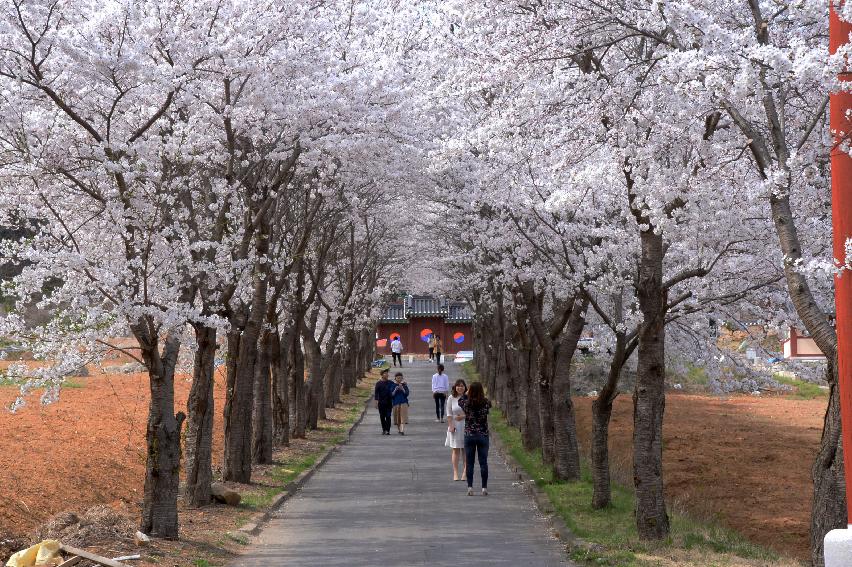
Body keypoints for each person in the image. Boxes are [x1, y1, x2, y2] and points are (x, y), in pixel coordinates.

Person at [459, 381, 492, 496]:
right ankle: (484, 488)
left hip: (470, 434)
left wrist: (466, 394)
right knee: (483, 462)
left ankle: (470, 487)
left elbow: (460, 401)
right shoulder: (486, 402)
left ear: (470, 391)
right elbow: (489, 407)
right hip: (483, 434)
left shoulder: (466, 403)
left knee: (470, 463)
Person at [445, 378, 467, 480]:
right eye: (458, 386)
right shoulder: (451, 398)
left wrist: (463, 416)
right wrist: (451, 425)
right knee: (456, 449)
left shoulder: (468, 398)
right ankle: (455, 472)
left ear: (465, 387)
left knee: (466, 449)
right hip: (455, 425)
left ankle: (465, 471)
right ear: (455, 387)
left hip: (467, 425)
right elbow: (449, 413)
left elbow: (472, 412)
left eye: (462, 386)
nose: (460, 388)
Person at [374, 368, 395, 435]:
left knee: (388, 416)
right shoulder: (378, 383)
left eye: (387, 373)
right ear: (382, 375)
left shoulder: (391, 382)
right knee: (382, 417)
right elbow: (376, 394)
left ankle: (388, 430)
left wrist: (403, 383)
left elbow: (396, 386)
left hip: (389, 403)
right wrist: (376, 402)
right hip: (381, 403)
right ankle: (384, 429)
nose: (387, 375)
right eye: (385, 373)